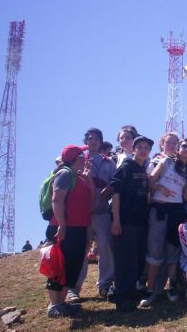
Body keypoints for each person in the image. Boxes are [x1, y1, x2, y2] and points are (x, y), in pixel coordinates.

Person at [140, 134, 187, 307]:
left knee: (173, 252)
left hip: (177, 211)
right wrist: (160, 187)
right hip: (159, 209)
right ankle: (150, 290)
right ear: (178, 149)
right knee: (154, 250)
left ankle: (172, 287)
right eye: (184, 146)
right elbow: (150, 180)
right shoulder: (166, 161)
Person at [45, 145, 95, 318]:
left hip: (79, 227)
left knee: (73, 266)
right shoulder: (65, 173)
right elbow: (57, 199)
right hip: (66, 228)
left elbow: (93, 199)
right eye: (83, 154)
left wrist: (89, 179)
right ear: (76, 158)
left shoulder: (79, 176)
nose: (86, 157)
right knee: (59, 266)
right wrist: (62, 225)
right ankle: (53, 304)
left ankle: (61, 302)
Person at [110, 135, 153, 313]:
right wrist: (116, 220)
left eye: (147, 148)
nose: (143, 150)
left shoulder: (143, 169)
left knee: (136, 260)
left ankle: (127, 294)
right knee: (125, 261)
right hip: (126, 221)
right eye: (140, 147)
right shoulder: (126, 166)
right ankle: (122, 299)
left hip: (141, 222)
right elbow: (116, 192)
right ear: (133, 149)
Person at [75, 127, 116, 300]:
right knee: (80, 248)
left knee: (105, 245)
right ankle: (74, 287)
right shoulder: (78, 158)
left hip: (102, 210)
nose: (93, 141)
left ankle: (105, 284)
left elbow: (114, 182)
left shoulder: (109, 161)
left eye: (97, 139)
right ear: (86, 141)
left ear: (100, 142)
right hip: (81, 211)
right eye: (90, 138)